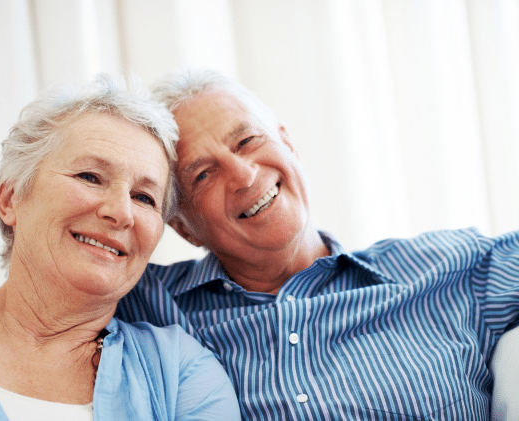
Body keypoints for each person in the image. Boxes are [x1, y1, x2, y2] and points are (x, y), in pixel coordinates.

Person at [114, 68, 519, 420]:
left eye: (248, 140)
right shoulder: (146, 304)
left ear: (287, 143)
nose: (243, 175)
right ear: (185, 228)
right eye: (203, 174)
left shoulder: (447, 269)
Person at [0, 74, 240, 420]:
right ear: (11, 199)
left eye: (144, 197)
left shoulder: (181, 374)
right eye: (90, 177)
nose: (121, 212)